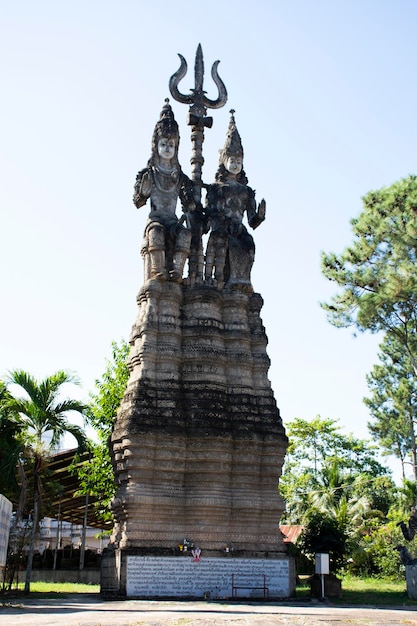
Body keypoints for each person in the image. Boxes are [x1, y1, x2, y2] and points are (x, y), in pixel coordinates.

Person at [133, 99, 195, 282]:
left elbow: (189, 203)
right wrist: (143, 191)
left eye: (171, 145)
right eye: (164, 144)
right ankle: (157, 270)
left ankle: (176, 272)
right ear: (156, 145)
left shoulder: (179, 176)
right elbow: (138, 201)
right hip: (156, 219)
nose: (167, 148)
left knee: (184, 235)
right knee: (156, 234)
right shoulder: (149, 173)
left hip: (173, 221)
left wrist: (192, 202)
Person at [204, 110, 265, 291]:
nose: (236, 164)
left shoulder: (246, 191)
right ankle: (221, 281)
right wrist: (223, 222)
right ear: (224, 161)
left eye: (239, 160)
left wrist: (260, 216)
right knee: (223, 244)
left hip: (239, 229)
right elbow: (211, 211)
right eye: (232, 160)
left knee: (248, 245)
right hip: (223, 228)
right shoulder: (217, 188)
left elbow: (252, 220)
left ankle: (241, 281)